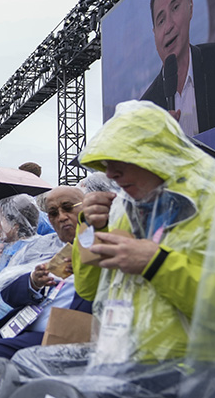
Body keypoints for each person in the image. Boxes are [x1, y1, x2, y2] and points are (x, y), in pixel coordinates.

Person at [73, 100, 215, 364]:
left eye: (121, 160)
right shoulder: (125, 209)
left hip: (194, 374)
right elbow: (89, 291)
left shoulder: (209, 201)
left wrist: (157, 264)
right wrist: (90, 228)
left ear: (155, 153)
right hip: (125, 363)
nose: (111, 174)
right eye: (106, 163)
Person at [0, 186, 92, 359]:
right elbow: (5, 294)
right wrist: (33, 281)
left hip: (65, 334)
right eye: (53, 213)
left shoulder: (103, 244)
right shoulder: (54, 247)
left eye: (68, 208)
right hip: (23, 324)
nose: (61, 217)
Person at [142, 0, 215, 136]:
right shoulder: (146, 108)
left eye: (175, 7)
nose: (169, 27)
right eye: (161, 20)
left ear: (190, 3)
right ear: (154, 33)